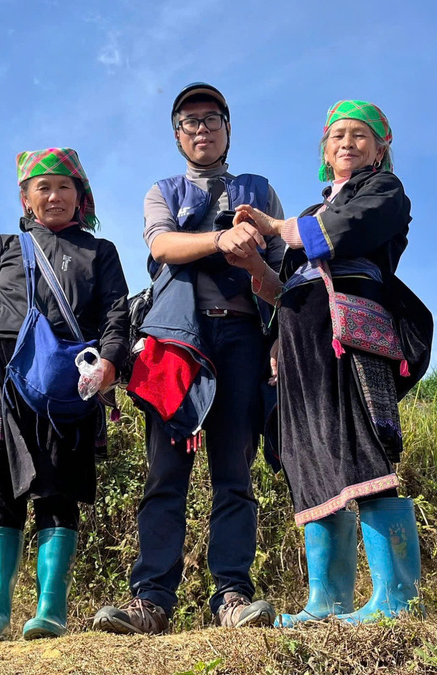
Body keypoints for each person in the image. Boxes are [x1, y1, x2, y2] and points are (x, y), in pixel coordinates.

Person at [92, 83, 285, 634]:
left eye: (211, 119)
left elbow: (276, 282)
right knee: (165, 473)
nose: (201, 129)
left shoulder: (260, 191)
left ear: (228, 128)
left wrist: (252, 264)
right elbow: (162, 248)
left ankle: (231, 596)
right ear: (177, 135)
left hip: (243, 339)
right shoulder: (163, 191)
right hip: (172, 345)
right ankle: (152, 600)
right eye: (189, 121)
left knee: (233, 473)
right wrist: (222, 240)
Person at [231, 100, 432, 625]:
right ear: (325, 149)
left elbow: (340, 235)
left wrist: (276, 226)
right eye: (338, 134)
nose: (348, 142)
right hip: (301, 342)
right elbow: (285, 288)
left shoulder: (385, 192)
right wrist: (254, 261)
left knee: (362, 447)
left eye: (360, 134)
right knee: (310, 457)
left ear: (380, 148)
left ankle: (397, 598)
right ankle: (328, 601)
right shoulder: (312, 209)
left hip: (349, 335)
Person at [0, 148, 130, 641]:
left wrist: (111, 365)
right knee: (0, 495)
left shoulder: (101, 252)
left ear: (80, 196)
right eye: (43, 188)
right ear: (26, 198)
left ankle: (51, 612)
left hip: (68, 385)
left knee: (59, 494)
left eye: (64, 187)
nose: (54, 196)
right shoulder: (1, 246)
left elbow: (118, 317)